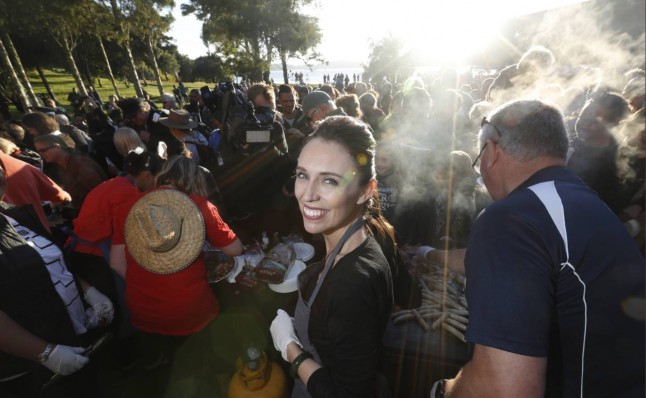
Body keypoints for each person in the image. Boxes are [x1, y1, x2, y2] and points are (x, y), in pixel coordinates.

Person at [427, 99, 645, 397]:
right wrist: (429, 255)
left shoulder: (511, 218)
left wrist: (442, 392)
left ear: (491, 152)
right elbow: (526, 265)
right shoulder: (584, 203)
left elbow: (503, 389)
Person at [270, 116, 394, 397]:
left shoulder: (351, 285)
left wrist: (291, 350)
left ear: (365, 191)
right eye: (303, 175)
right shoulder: (370, 237)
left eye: (329, 180)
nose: (307, 195)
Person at [115, 156, 243, 384]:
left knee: (169, 355)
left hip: (141, 303)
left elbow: (116, 261)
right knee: (204, 352)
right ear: (196, 180)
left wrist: (146, 283)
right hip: (188, 307)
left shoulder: (131, 205)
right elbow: (235, 249)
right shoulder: (200, 206)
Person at [0, 160, 114, 397]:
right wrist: (44, 352)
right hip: (31, 370)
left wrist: (88, 291)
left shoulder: (14, 213)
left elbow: (50, 264)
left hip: (72, 337)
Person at [33, 134, 107, 214]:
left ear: (57, 147)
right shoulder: (61, 166)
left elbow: (102, 193)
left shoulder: (79, 164)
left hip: (100, 211)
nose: (40, 154)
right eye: (38, 152)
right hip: (87, 211)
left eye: (43, 150)